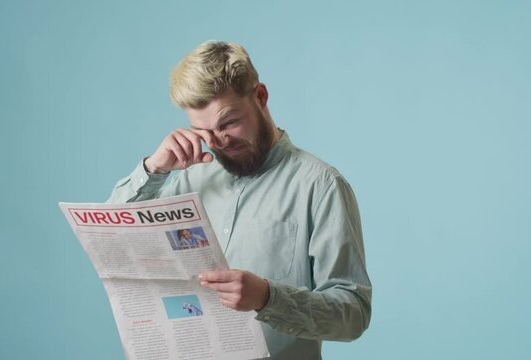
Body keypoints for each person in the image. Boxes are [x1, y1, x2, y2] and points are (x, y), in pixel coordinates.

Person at [107, 40, 371, 359]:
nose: (219, 142)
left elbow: (353, 314)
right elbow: (112, 243)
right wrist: (154, 169)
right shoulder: (191, 178)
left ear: (260, 97)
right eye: (203, 131)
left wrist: (269, 298)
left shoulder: (321, 186)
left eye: (229, 123)